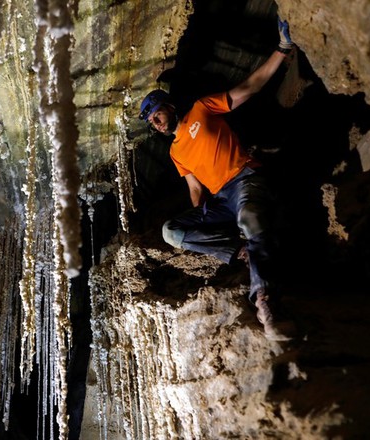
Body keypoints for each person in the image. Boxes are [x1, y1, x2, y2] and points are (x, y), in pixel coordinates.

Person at [139, 17, 296, 341]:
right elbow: (195, 190)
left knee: (251, 216)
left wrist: (281, 50)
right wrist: (206, 223)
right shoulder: (176, 153)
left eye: (157, 114)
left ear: (168, 106)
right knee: (172, 230)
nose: (155, 122)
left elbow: (249, 87)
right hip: (222, 199)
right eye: (151, 121)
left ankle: (265, 301)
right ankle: (239, 250)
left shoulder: (201, 109)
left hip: (244, 178)